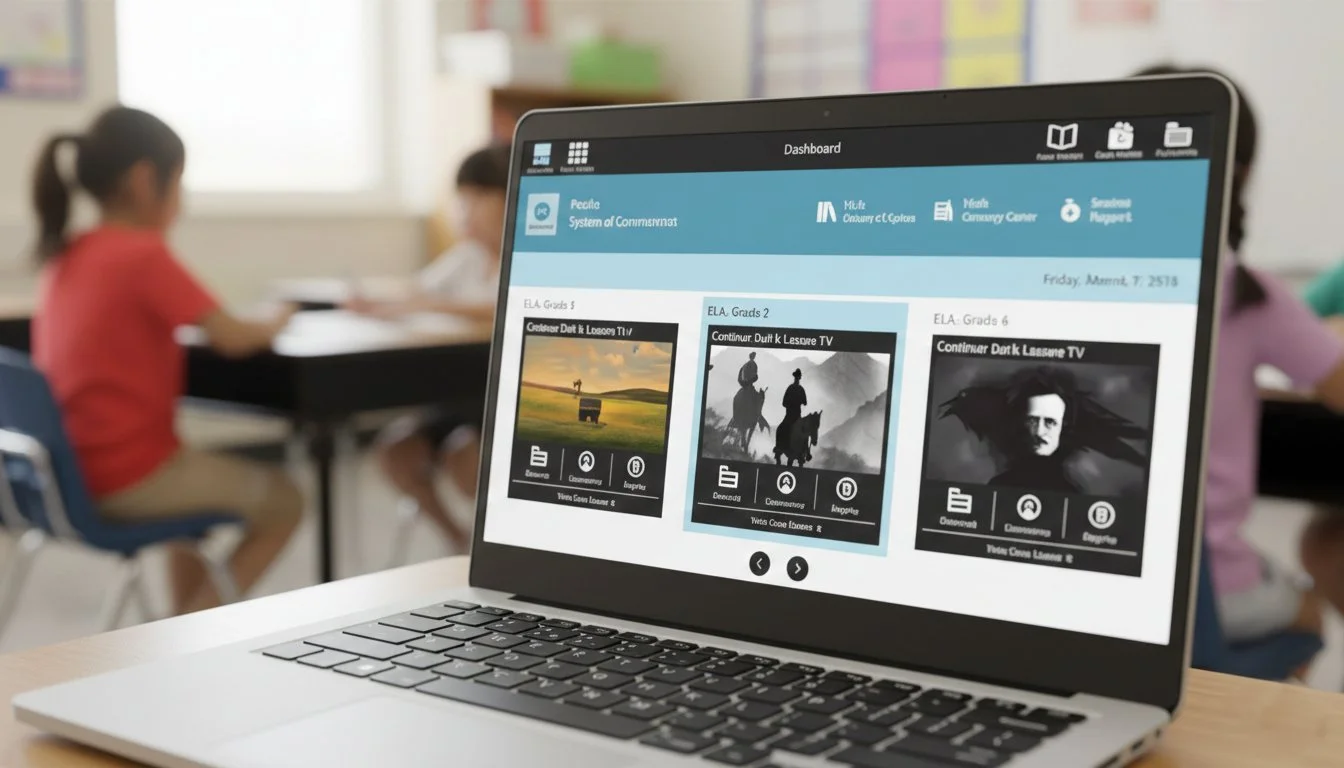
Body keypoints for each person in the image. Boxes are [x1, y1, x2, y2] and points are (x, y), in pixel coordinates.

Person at [29, 106, 302, 615]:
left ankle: (183, 622)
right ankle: (191, 633)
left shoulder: (71, 251)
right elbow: (232, 337)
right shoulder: (140, 254)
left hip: (63, 474)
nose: (183, 198)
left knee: (196, 510)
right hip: (129, 476)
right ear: (144, 179)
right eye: (180, 181)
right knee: (287, 500)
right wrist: (276, 318)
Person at [1135, 65, 1344, 650]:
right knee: (1307, 605)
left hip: (1098, 581)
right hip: (1210, 592)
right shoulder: (1247, 294)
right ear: (1243, 177)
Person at [347, 145, 510, 551]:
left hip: (498, 400)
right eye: (462, 200)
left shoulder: (528, 254)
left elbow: (498, 306)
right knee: (395, 450)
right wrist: (375, 303)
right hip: (455, 396)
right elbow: (417, 290)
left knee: (464, 457)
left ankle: (499, 543)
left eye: (477, 199)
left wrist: (429, 303)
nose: (465, 211)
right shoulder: (468, 257)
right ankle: (458, 540)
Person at [938, 366, 1148, 494]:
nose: (1039, 431)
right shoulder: (1002, 484)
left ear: (1063, 427)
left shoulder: (1071, 492)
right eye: (1032, 421)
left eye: (1049, 422)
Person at [776, 368, 807, 451]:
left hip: (794, 415)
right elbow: (784, 402)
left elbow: (804, 402)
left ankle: (805, 451)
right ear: (796, 378)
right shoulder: (798, 389)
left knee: (805, 431)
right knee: (781, 428)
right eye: (797, 377)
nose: (797, 378)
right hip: (792, 415)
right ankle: (778, 447)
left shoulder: (796, 389)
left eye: (798, 377)